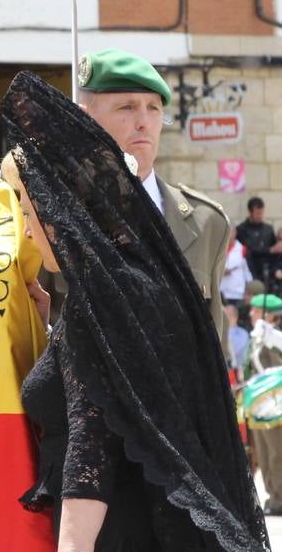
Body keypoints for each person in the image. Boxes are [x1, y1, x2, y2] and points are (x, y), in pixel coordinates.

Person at [0, 71, 282, 552]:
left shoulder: (100, 303)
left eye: (30, 211)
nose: (28, 229)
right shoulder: (145, 281)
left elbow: (93, 442)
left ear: (61, 208)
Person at [76, 49, 230, 338]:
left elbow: (213, 345)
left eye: (154, 108)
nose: (143, 122)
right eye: (127, 108)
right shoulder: (55, 214)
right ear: (86, 118)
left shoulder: (207, 223)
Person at [244, 294, 282, 516]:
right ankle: (272, 496)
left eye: (256, 310)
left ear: (270, 316)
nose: (252, 314)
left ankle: (281, 499)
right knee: (262, 453)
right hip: (257, 401)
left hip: (273, 403)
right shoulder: (256, 338)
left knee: (276, 452)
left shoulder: (276, 339)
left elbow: (279, 370)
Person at [236, 197, 278, 283]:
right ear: (250, 212)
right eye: (257, 213)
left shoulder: (268, 229)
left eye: (261, 213)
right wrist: (269, 250)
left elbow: (274, 249)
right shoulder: (241, 229)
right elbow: (247, 249)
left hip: (267, 272)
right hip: (249, 270)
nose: (260, 216)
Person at [220, 225, 251, 305]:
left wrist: (248, 292)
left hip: (237, 293)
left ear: (235, 233)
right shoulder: (218, 249)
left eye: (231, 231)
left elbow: (248, 273)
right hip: (221, 292)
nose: (229, 234)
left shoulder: (242, 249)